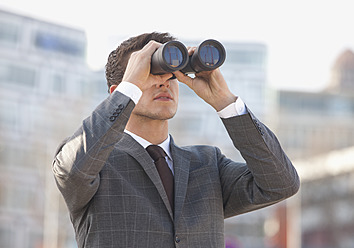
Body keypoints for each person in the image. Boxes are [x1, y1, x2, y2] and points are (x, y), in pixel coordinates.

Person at [52, 32, 300, 248]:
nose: (163, 82)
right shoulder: (93, 163)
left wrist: (225, 102)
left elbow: (281, 183)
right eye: (150, 73)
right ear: (120, 91)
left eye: (171, 75)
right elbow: (72, 170)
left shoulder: (208, 164)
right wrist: (130, 89)